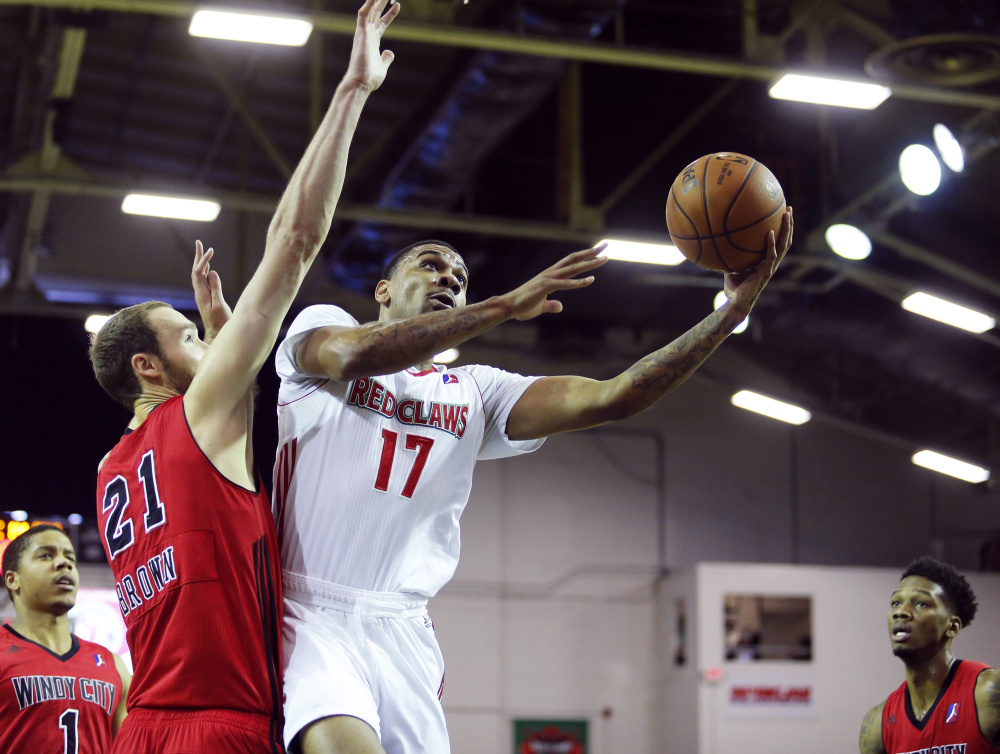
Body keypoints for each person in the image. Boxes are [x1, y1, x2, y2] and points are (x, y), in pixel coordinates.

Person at [272, 209, 794, 753]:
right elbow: (355, 354)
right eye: (431, 267)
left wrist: (731, 313)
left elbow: (616, 395)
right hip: (310, 611)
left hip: (401, 626)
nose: (449, 280)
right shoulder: (323, 326)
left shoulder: (476, 391)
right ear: (382, 288)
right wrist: (501, 307)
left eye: (459, 279)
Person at [88, 1, 399, 751]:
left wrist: (220, 331)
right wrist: (352, 90)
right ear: (147, 366)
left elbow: (214, 460)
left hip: (146, 729)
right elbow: (294, 241)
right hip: (217, 725)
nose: (209, 344)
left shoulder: (110, 470)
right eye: (189, 336)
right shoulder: (194, 415)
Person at [1, 524, 130, 753]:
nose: (64, 563)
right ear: (12, 579)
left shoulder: (113, 665)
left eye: (70, 557)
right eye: (46, 555)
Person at [859, 556, 1000, 753]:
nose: (901, 612)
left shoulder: (989, 691)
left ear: (952, 626)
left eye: (921, 604)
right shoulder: (877, 724)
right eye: (895, 602)